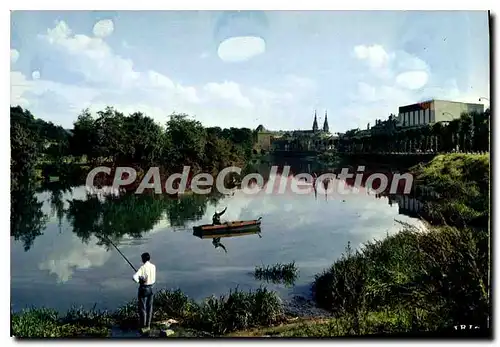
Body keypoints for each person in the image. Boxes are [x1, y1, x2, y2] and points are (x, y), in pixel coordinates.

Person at [133, 252, 156, 333]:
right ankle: (148, 326)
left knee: (142, 308)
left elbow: (134, 277)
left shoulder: (142, 268)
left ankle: (143, 326)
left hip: (143, 288)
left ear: (143, 259)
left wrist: (140, 280)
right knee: (150, 307)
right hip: (151, 288)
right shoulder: (153, 266)